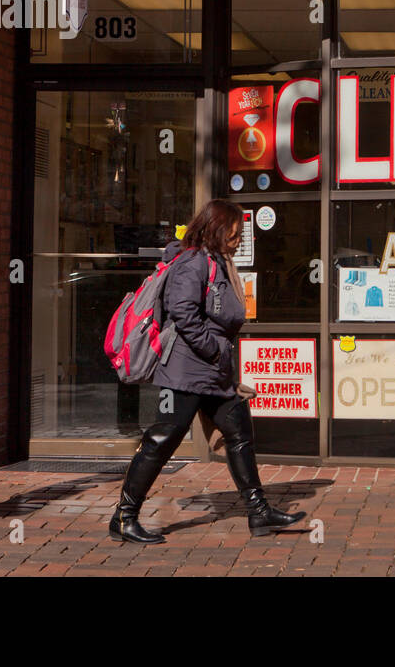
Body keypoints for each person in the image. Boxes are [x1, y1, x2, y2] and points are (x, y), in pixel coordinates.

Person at [109, 198, 307, 544]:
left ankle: (259, 512)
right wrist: (213, 349)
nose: (239, 237)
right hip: (185, 370)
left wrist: (219, 358)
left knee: (239, 431)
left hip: (213, 372)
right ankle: (124, 517)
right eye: (235, 231)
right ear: (217, 228)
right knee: (162, 439)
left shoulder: (216, 261)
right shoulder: (194, 262)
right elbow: (182, 311)